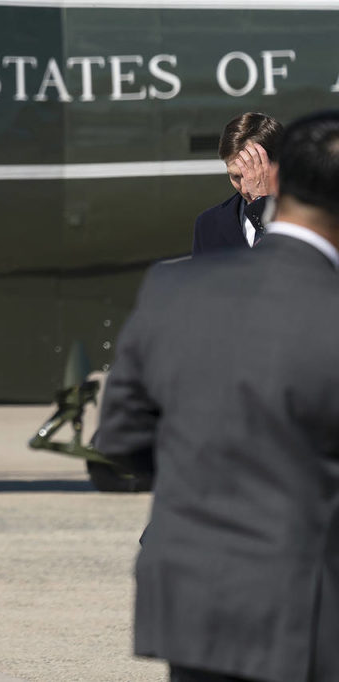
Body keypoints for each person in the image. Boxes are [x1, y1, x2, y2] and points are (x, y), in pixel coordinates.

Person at [97, 110, 339, 682]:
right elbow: (256, 305)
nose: (243, 186)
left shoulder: (166, 287)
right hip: (298, 585)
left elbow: (123, 445)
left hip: (196, 576)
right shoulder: (214, 231)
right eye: (234, 177)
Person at [192, 112, 283, 255]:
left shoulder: (313, 217)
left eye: (253, 174)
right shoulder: (209, 225)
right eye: (236, 176)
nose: (246, 188)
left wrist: (262, 203)